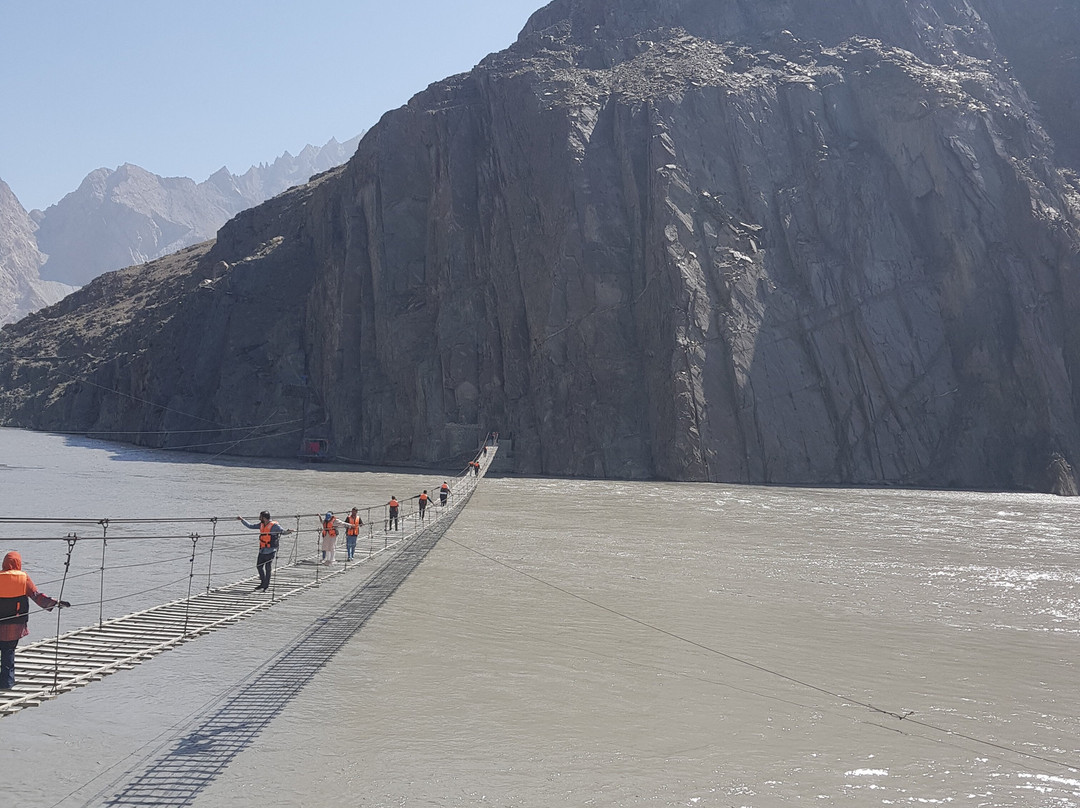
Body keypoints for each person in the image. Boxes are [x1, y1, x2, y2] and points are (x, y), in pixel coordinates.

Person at [0, 551, 69, 689]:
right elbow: (37, 597)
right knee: (8, 651)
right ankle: (6, 684)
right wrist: (56, 603)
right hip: (15, 624)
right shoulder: (23, 578)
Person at [237, 511, 292, 592]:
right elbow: (251, 526)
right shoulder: (261, 524)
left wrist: (289, 531)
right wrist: (242, 520)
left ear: (264, 518)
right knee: (259, 566)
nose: (259, 518)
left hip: (271, 550)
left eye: (260, 517)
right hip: (262, 550)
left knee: (268, 568)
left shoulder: (274, 526)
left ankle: (266, 585)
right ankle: (262, 583)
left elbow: (282, 532)